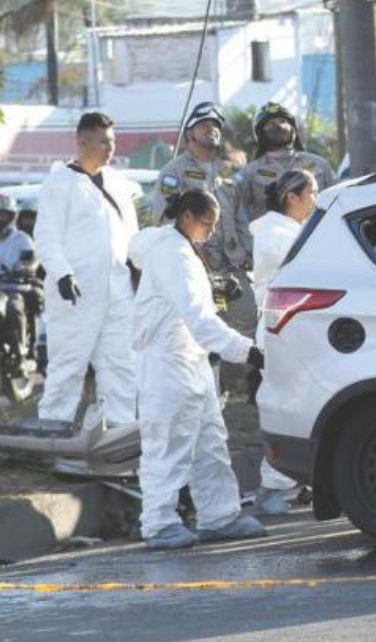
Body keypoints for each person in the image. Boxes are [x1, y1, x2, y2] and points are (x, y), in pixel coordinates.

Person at [129, 188, 268, 549]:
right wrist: (248, 351)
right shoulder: (172, 255)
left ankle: (219, 516)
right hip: (167, 364)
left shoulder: (182, 248)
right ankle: (158, 524)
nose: (211, 231)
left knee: (210, 443)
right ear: (187, 216)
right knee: (168, 446)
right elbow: (200, 320)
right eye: (207, 223)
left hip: (190, 359)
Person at [34, 111, 138, 432]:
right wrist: (62, 274)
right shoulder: (59, 182)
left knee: (121, 364)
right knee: (68, 365)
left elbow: (132, 235)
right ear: (82, 142)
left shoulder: (118, 183)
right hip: (76, 293)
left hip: (118, 291)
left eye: (113, 141)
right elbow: (46, 236)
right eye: (104, 142)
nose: (111, 148)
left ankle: (119, 430)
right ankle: (53, 427)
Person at [247, 169, 317, 514]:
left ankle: (298, 482)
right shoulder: (276, 235)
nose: (315, 200)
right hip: (280, 333)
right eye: (312, 192)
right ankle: (272, 488)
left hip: (295, 332)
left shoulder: (291, 230)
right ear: (292, 197)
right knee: (287, 409)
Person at [150, 101, 245, 272]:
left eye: (215, 125)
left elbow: (241, 218)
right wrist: (191, 250)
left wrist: (248, 255)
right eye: (204, 124)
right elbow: (163, 221)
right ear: (189, 134)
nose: (212, 129)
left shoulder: (228, 171)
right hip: (194, 265)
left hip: (235, 265)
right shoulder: (173, 172)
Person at [233, 102, 335, 255]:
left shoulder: (319, 164)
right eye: (271, 123)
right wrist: (249, 247)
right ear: (260, 133)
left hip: (315, 245)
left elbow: (335, 202)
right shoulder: (250, 171)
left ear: (293, 128)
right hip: (272, 249)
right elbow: (237, 213)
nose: (279, 126)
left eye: (283, 121)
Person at [0, 192, 38, 361]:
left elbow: (32, 260)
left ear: (12, 216)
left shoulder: (22, 239)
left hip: (13, 288)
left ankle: (20, 351)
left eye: (3, 215)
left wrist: (26, 268)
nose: (0, 219)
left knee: (14, 307)